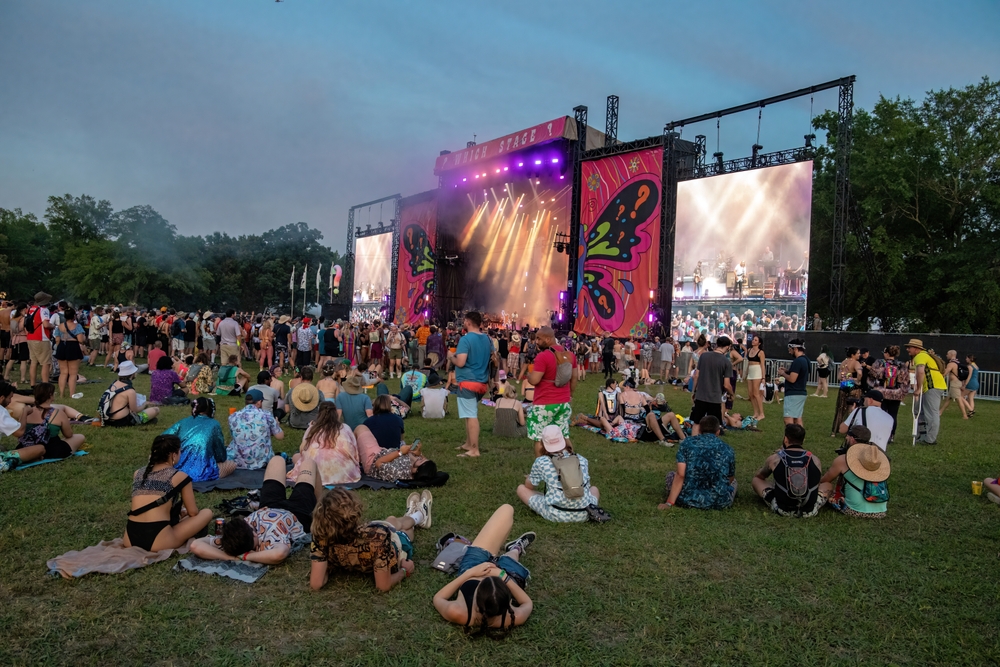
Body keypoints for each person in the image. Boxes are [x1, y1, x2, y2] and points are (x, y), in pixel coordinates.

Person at [190, 455, 318, 564]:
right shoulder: (270, 540)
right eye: (253, 529)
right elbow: (280, 554)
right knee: (309, 463)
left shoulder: (231, 539)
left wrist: (230, 558)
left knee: (277, 460)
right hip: (297, 514)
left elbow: (196, 546)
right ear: (255, 535)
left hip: (269, 506)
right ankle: (321, 511)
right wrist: (245, 557)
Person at [432, 504, 535, 631]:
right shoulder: (512, 616)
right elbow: (528, 603)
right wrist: (503, 576)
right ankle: (515, 548)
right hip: (508, 575)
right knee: (510, 557)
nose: (487, 575)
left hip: (473, 567)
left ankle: (508, 553)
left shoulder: (458, 612)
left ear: (476, 599)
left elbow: (438, 598)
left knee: (506, 510)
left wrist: (470, 573)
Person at [309, 488, 431, 592]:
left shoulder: (321, 536)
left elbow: (316, 583)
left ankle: (416, 515)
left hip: (372, 532)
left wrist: (327, 566)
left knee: (392, 521)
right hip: (395, 546)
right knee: (403, 531)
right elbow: (383, 586)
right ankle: (419, 515)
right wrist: (404, 571)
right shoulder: (377, 537)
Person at [123, 435, 214, 551]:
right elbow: (193, 512)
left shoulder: (138, 473)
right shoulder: (179, 476)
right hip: (159, 541)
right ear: (173, 455)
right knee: (206, 513)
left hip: (130, 539)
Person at [516, 425, 600, 523]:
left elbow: (529, 486)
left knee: (521, 489)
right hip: (585, 513)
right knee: (594, 489)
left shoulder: (541, 462)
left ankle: (550, 501)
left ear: (543, 443)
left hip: (555, 514)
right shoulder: (581, 459)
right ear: (563, 439)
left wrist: (530, 477)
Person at [658, 416, 736, 510]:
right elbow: (730, 477)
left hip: (688, 499)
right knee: (734, 483)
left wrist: (669, 503)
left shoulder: (687, 443)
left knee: (671, 475)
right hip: (719, 502)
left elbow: (680, 474)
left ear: (699, 430)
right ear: (718, 432)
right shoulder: (727, 449)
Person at [752, 424, 825, 517]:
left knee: (756, 481)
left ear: (785, 439)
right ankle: (815, 503)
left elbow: (760, 476)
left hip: (783, 509)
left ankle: (772, 499)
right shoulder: (815, 459)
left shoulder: (775, 459)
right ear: (803, 441)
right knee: (827, 485)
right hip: (809, 511)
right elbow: (816, 483)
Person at [524, 326, 576, 457]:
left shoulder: (543, 356)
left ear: (548, 339)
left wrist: (529, 375)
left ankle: (541, 469)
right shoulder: (570, 355)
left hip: (544, 403)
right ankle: (571, 464)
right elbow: (574, 378)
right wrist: (570, 395)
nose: (536, 341)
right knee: (564, 435)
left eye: (539, 338)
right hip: (563, 402)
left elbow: (535, 380)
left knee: (539, 438)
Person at [819, 425, 890, 519]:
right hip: (881, 512)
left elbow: (825, 480)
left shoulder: (842, 460)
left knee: (826, 488)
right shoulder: (876, 460)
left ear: (852, 439)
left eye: (847, 437)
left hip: (854, 510)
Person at [286, 402, 360, 486]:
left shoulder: (312, 429)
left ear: (319, 414)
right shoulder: (345, 427)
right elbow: (354, 450)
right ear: (335, 413)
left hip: (315, 473)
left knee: (296, 456)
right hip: (345, 473)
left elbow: (302, 449)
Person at [163, 397, 235, 482]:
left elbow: (163, 438)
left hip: (176, 469)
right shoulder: (214, 424)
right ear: (211, 410)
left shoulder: (183, 421)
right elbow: (220, 455)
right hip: (202, 472)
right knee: (232, 464)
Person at [12, 383, 87, 464]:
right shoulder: (58, 413)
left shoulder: (25, 412)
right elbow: (68, 435)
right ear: (50, 395)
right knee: (80, 437)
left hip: (26, 448)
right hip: (52, 450)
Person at [452, 312, 492, 458]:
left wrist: (452, 358)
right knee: (469, 414)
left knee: (471, 415)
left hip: (468, 382)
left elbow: (461, 362)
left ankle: (474, 450)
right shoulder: (487, 339)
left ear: (468, 322)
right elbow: (493, 358)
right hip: (482, 382)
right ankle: (468, 443)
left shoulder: (466, 339)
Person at [227, 389, 284, 469]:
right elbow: (280, 436)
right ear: (259, 402)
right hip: (262, 462)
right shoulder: (266, 415)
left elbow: (235, 435)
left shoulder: (233, 416)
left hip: (238, 462)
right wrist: (277, 425)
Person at [905, 339, 947, 445]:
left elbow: (920, 372)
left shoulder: (920, 356)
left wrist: (918, 388)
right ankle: (923, 435)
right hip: (934, 386)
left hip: (932, 387)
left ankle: (930, 439)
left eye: (909, 347)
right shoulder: (925, 355)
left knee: (931, 413)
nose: (907, 349)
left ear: (916, 348)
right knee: (924, 412)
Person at [689, 335, 733, 434]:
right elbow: (727, 385)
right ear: (727, 347)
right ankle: (711, 446)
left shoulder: (704, 356)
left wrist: (694, 391)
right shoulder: (726, 362)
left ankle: (692, 444)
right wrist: (731, 394)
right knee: (714, 425)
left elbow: (696, 376)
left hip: (701, 395)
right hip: (715, 397)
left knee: (697, 422)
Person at [100, 361, 160, 427]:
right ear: (132, 374)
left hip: (107, 419)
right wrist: (144, 404)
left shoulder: (114, 384)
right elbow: (135, 410)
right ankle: (141, 420)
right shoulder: (130, 391)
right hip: (121, 421)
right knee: (156, 410)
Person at [54, 308, 87, 399]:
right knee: (73, 373)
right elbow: (80, 340)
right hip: (73, 347)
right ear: (74, 316)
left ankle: (61, 394)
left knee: (63, 372)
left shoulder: (60, 326)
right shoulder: (77, 326)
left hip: (62, 346)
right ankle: (71, 394)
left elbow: (57, 339)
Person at [831, 347, 863, 435]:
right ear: (853, 355)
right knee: (852, 409)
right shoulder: (856, 363)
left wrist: (845, 379)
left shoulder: (843, 362)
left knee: (840, 409)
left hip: (843, 386)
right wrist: (857, 380)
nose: (859, 355)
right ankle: (850, 431)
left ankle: (834, 431)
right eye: (858, 353)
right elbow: (860, 373)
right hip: (853, 387)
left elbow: (838, 377)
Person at [779, 339, 810, 427]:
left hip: (793, 393)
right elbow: (801, 373)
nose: (789, 352)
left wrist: (783, 373)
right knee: (797, 418)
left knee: (788, 419)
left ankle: (791, 439)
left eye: (790, 350)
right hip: (801, 392)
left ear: (795, 348)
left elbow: (792, 379)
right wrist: (789, 371)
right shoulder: (806, 360)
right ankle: (800, 438)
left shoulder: (798, 361)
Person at [25, 292, 54, 386]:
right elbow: (46, 324)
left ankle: (32, 384)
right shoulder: (44, 310)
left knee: (34, 362)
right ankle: (45, 385)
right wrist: (53, 326)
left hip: (30, 337)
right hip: (41, 338)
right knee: (45, 363)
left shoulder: (30, 309)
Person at [939, 350, 968, 419]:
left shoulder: (951, 364)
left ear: (951, 354)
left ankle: (965, 415)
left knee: (958, 399)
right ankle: (940, 412)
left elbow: (945, 373)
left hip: (954, 384)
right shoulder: (957, 363)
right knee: (948, 398)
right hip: (957, 382)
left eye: (947, 354)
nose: (946, 355)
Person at [744, 335, 765, 421]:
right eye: (753, 339)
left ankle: (761, 413)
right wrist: (745, 373)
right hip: (751, 372)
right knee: (750, 394)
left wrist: (763, 378)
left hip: (757, 372)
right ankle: (755, 412)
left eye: (755, 340)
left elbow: (762, 365)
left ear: (759, 343)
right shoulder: (749, 350)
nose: (753, 341)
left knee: (756, 393)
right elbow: (748, 363)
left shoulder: (761, 352)